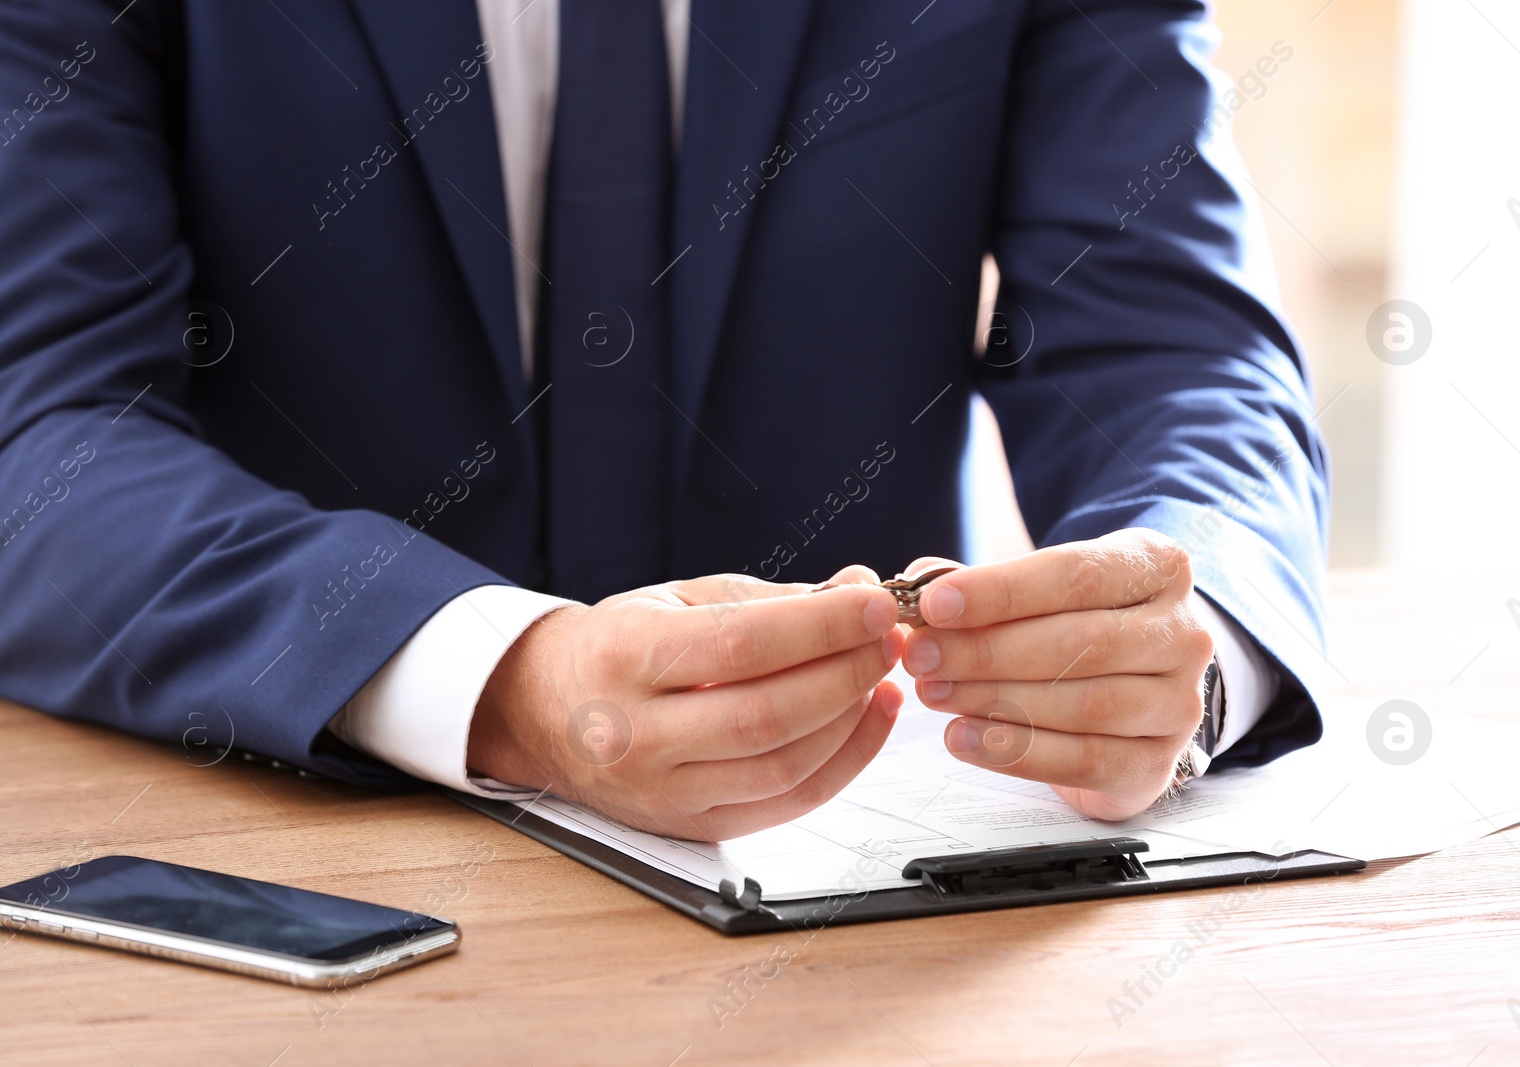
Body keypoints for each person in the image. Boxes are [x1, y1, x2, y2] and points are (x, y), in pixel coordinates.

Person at [0, 0, 1328, 841]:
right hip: (283, 848)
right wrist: (503, 682)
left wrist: (1179, 636)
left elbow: (1180, 355)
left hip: (874, 886)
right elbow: (38, 428)